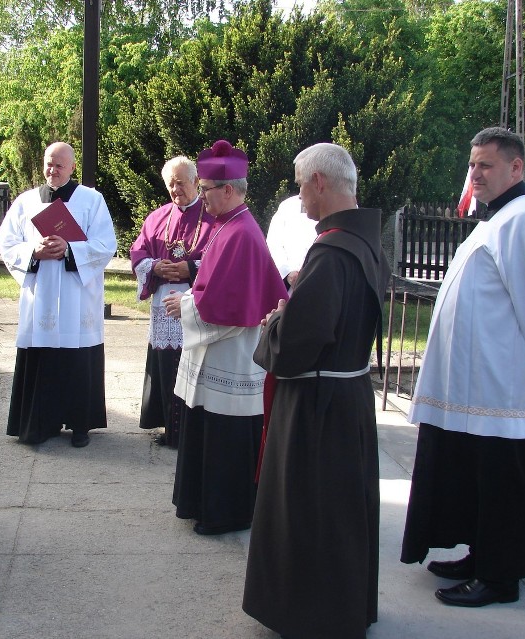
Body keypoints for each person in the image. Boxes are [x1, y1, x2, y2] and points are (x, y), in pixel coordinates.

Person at [400, 127, 525, 607]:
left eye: (486, 165)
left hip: (503, 385)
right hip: (475, 386)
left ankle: (500, 577)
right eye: (472, 164)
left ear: (516, 168)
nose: (474, 174)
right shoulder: (494, 220)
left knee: (501, 482)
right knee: (476, 475)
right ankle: (481, 555)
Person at [242, 143, 390, 638]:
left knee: (311, 511)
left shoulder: (328, 254)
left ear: (321, 183)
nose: (299, 196)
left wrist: (274, 325)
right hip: (347, 396)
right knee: (341, 511)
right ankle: (343, 605)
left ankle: (311, 614)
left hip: (316, 407)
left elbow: (297, 344)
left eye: (301, 184)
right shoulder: (365, 244)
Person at [164, 140, 287, 535]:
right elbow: (211, 289)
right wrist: (189, 298)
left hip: (230, 357)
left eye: (205, 190)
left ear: (228, 190)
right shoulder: (228, 227)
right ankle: (204, 504)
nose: (201, 198)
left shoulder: (241, 234)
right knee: (210, 430)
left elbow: (230, 307)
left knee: (225, 437)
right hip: (221, 353)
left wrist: (182, 307)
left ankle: (227, 512)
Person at [0, 142, 117, 448]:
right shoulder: (26, 201)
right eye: (48, 164)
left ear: (72, 167)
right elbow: (7, 241)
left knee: (77, 359)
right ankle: (39, 422)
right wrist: (32, 252)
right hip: (42, 296)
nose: (52, 170)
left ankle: (80, 426)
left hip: (77, 296)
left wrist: (70, 249)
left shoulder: (91, 200)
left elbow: (106, 244)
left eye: (59, 165)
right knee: (43, 355)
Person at [129, 156, 214, 447]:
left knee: (193, 365)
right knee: (167, 365)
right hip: (164, 303)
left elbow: (221, 258)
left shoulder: (213, 214)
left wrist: (190, 268)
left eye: (181, 182)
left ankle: (192, 432)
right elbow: (138, 252)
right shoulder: (157, 217)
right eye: (170, 184)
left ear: (195, 182)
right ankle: (170, 427)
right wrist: (154, 267)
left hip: (196, 301)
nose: (176, 189)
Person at [265, 194, 318, 291]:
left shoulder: (340, 206)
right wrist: (288, 272)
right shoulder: (288, 206)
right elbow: (274, 242)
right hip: (289, 286)